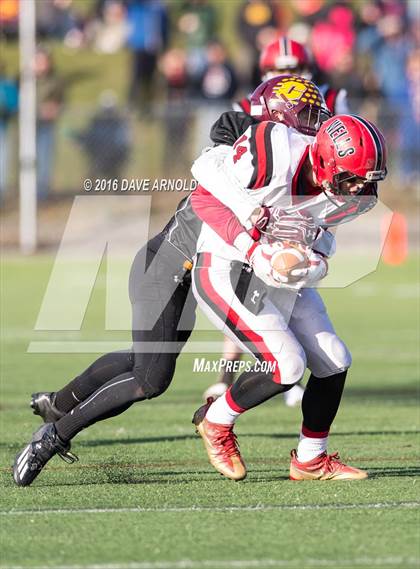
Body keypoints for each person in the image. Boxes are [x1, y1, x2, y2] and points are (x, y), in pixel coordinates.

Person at [12, 77, 334, 487]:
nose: (310, 127)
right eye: (304, 115)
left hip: (194, 273)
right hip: (166, 267)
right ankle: (51, 438)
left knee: (143, 360)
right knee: (150, 378)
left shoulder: (285, 163)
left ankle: (57, 403)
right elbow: (216, 180)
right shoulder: (243, 145)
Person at [190, 108, 387, 481]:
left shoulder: (354, 193)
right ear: (325, 162)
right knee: (288, 364)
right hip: (226, 264)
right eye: (351, 179)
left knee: (334, 360)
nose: (359, 188)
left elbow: (321, 246)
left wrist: (309, 262)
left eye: (365, 180)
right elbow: (203, 194)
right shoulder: (275, 152)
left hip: (278, 278)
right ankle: (216, 422)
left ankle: (311, 459)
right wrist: (253, 238)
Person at [204, 36, 349, 405]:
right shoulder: (250, 113)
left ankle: (281, 381)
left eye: (294, 70)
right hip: (249, 231)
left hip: (301, 221)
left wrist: (316, 250)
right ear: (266, 73)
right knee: (253, 302)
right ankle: (229, 381)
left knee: (297, 294)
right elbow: (209, 177)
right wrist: (251, 230)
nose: (287, 77)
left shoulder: (329, 105)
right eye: (279, 70)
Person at [35, 46, 65, 201]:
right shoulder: (25, 79)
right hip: (27, 126)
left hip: (46, 125)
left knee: (45, 157)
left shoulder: (55, 80)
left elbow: (61, 102)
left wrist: (54, 109)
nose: (41, 64)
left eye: (44, 61)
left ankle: (42, 193)